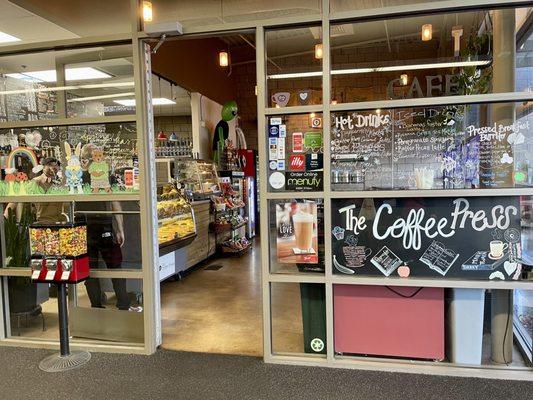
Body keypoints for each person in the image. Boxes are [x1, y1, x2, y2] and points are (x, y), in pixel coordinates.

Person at [4, 157, 68, 223]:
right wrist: (5, 217)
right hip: (41, 223)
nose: (52, 169)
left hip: (59, 223)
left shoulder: (59, 183)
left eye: (55, 167)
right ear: (43, 167)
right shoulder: (35, 182)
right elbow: (16, 197)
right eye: (49, 165)